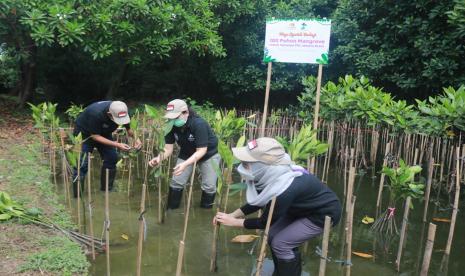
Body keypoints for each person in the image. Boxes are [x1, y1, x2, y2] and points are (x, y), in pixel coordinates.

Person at [213, 137, 341, 275]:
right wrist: (232, 215)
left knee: (281, 243)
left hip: (322, 214)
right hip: (299, 209)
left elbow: (264, 222)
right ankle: (281, 271)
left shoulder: (284, 188)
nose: (242, 166)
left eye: (246, 163)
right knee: (273, 235)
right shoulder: (271, 176)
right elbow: (259, 201)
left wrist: (234, 222)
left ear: (262, 166)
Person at [149, 99, 220, 209]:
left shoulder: (198, 124)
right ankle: (171, 211)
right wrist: (158, 158)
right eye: (170, 117)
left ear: (185, 112)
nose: (172, 120)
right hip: (186, 153)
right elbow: (168, 148)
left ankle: (205, 212)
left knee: (209, 186)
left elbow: (201, 151)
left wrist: (185, 164)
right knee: (176, 182)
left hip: (208, 155)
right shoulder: (170, 125)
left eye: (176, 117)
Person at [72, 100, 141, 197]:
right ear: (109, 114)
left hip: (104, 132)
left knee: (112, 157)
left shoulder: (122, 111)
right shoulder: (95, 114)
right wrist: (117, 144)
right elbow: (95, 136)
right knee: (81, 164)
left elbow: (129, 129)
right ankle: (78, 197)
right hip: (84, 134)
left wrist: (137, 138)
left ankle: (106, 190)